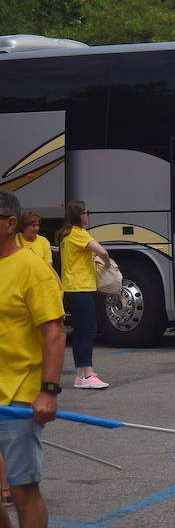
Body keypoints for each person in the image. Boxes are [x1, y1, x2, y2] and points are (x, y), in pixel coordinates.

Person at [0, 190, 66, 528]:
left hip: (19, 396)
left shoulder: (32, 268)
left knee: (23, 490)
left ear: (10, 224)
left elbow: (54, 333)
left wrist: (48, 391)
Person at [56, 200, 111, 389]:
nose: (88, 215)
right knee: (88, 329)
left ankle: (81, 374)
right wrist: (107, 262)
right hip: (81, 288)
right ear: (79, 215)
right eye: (87, 212)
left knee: (80, 331)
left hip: (71, 289)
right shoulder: (79, 234)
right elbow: (102, 251)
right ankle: (87, 374)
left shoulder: (66, 234)